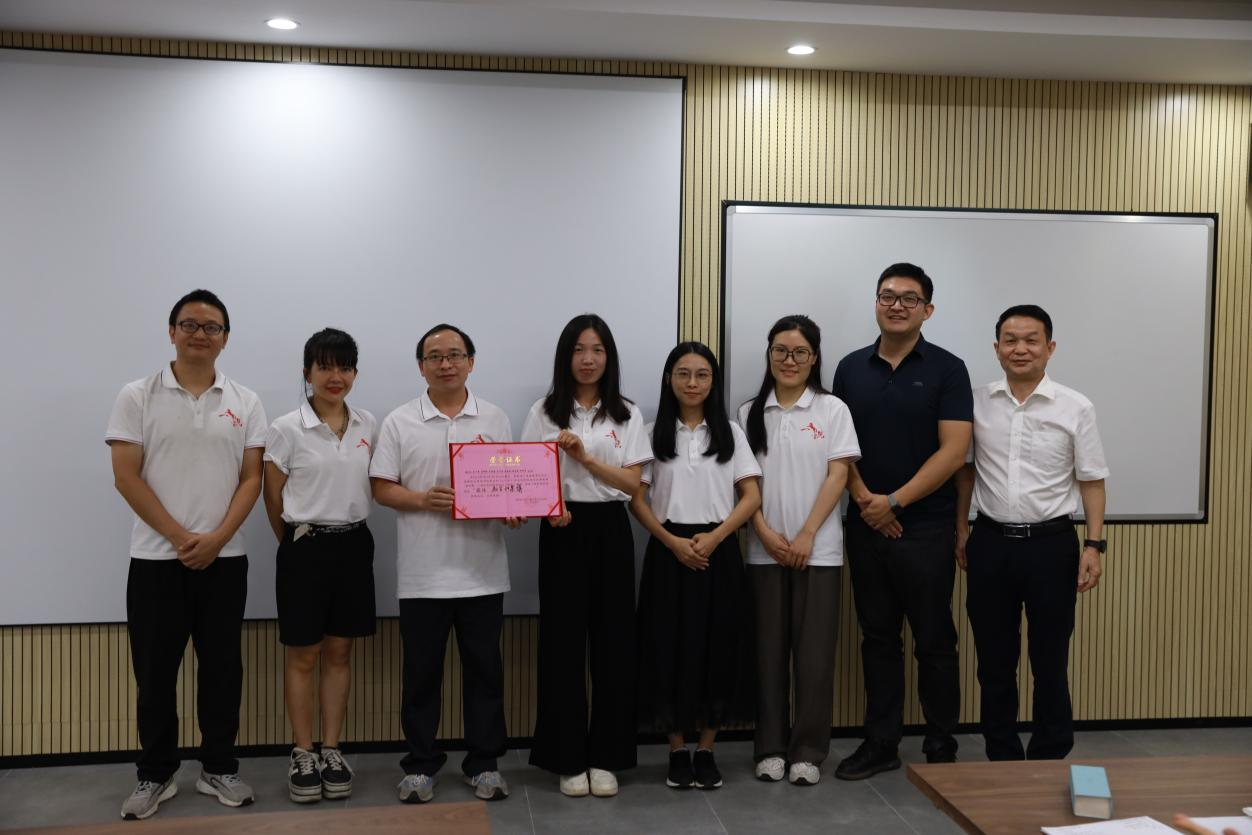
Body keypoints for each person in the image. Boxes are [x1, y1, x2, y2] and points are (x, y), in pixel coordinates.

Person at [106, 289, 265, 820]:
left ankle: (218, 768)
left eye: (212, 327)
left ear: (225, 338)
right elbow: (126, 477)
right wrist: (179, 537)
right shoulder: (137, 395)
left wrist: (217, 539)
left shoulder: (246, 400)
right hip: (156, 560)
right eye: (190, 324)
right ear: (171, 331)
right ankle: (155, 774)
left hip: (225, 559)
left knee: (222, 671)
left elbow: (251, 478)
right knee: (154, 675)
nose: (201, 334)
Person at [832, 262, 972, 779]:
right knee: (878, 638)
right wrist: (868, 501)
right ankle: (881, 743)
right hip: (865, 523)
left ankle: (941, 745)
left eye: (909, 298)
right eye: (887, 295)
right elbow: (838, 445)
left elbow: (954, 451)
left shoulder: (948, 369)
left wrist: (894, 503)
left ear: (927, 310)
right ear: (876, 303)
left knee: (934, 640)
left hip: (927, 527)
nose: (897, 305)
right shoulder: (849, 368)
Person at [370, 324, 521, 804]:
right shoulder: (399, 421)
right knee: (420, 677)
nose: (446, 364)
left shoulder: (494, 417)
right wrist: (421, 499)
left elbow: (511, 483)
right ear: (421, 367)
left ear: (471, 362)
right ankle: (420, 766)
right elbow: (381, 487)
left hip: (482, 573)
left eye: (455, 355)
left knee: (485, 674)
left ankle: (484, 764)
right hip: (422, 576)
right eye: (435, 357)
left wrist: (513, 508)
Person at [954, 305, 1108, 761]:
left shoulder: (1075, 406)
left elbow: (1092, 480)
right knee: (994, 662)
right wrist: (961, 527)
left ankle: (1049, 754)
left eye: (1031, 340)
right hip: (990, 544)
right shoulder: (975, 403)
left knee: (1050, 661)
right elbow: (965, 472)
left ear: (1050, 347)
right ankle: (1001, 754)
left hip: (1052, 546)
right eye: (1010, 340)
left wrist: (1094, 545)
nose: (1020, 349)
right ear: (997, 347)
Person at [522, 313, 652, 798]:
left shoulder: (627, 413)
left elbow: (633, 484)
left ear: (608, 357)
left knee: (615, 644)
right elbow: (527, 475)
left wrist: (586, 459)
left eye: (597, 350)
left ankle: (607, 757)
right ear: (566, 356)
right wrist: (549, 506)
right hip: (561, 529)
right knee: (561, 645)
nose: (588, 359)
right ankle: (567, 757)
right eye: (579, 349)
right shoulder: (543, 411)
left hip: (611, 529)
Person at [630, 342, 761, 791]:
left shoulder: (730, 432)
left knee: (718, 648)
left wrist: (717, 537)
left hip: (718, 552)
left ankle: (706, 749)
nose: (692, 383)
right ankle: (676, 750)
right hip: (668, 551)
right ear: (669, 379)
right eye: (683, 374)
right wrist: (671, 542)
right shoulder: (651, 433)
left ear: (713, 382)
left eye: (702, 374)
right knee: (665, 648)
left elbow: (751, 497)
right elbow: (636, 500)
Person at [738, 314, 860, 787]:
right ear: (769, 355)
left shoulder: (832, 409)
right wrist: (763, 531)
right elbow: (743, 483)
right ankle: (769, 748)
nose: (789, 360)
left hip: (819, 552)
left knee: (814, 658)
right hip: (763, 550)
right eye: (780, 351)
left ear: (814, 358)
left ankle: (807, 751)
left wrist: (808, 533)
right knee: (767, 655)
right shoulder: (749, 412)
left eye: (799, 352)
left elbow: (839, 475)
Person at [261, 328, 378, 803]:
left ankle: (331, 749)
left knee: (340, 652)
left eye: (345, 367)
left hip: (355, 545)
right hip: (304, 547)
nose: (336, 376)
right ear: (307, 372)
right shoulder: (286, 427)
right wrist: (294, 545)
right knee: (304, 655)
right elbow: (272, 498)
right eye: (325, 366)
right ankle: (303, 751)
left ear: (354, 373)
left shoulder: (368, 423)